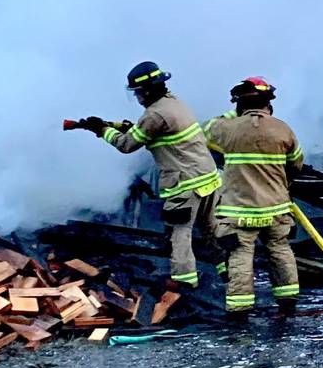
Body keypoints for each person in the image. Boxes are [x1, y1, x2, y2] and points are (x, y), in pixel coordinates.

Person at [73, 60, 219, 287]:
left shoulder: (154, 115)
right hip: (208, 177)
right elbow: (153, 130)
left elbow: (127, 145)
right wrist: (122, 126)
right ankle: (229, 270)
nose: (137, 96)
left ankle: (184, 281)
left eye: (138, 92)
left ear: (148, 90)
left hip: (186, 183)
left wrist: (102, 130)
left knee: (180, 232)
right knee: (212, 229)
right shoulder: (173, 102)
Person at [203, 76, 304, 314]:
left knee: (240, 254)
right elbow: (296, 164)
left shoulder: (228, 128)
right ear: (269, 103)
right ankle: (288, 301)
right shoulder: (283, 129)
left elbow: (205, 129)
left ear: (239, 104)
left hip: (240, 210)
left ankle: (240, 309)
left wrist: (234, 113)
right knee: (280, 250)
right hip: (276, 207)